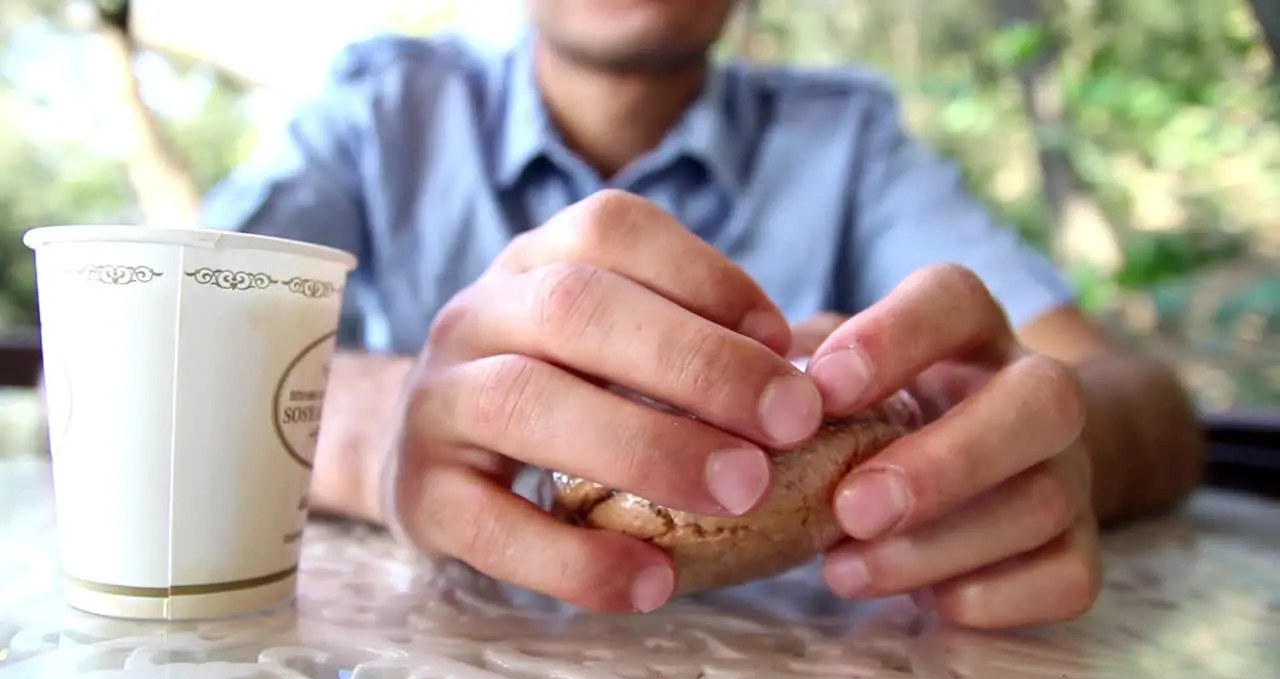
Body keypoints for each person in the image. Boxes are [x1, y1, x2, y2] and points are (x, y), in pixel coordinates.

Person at [200, 0, 1204, 629]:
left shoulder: (844, 139)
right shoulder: (380, 109)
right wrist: (380, 435)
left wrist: (1019, 445)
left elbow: (1135, 396)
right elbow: (159, 341)